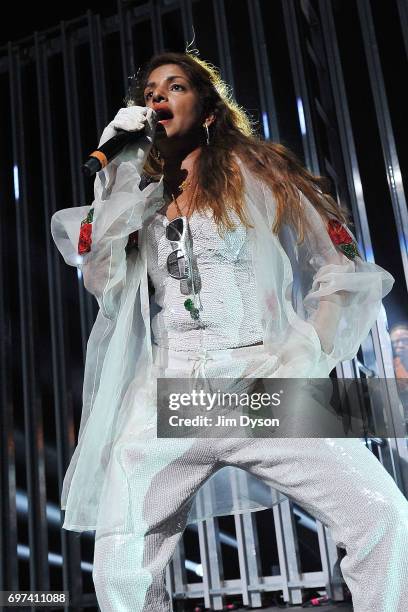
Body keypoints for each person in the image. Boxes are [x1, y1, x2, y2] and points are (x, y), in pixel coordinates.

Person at [51, 51, 408, 611]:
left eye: (174, 86)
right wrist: (116, 175)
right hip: (171, 393)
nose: (157, 98)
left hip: (255, 381)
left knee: (381, 515)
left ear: (209, 108)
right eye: (149, 92)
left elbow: (338, 262)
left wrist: (308, 348)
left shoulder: (259, 171)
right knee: (122, 562)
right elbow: (102, 278)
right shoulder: (142, 190)